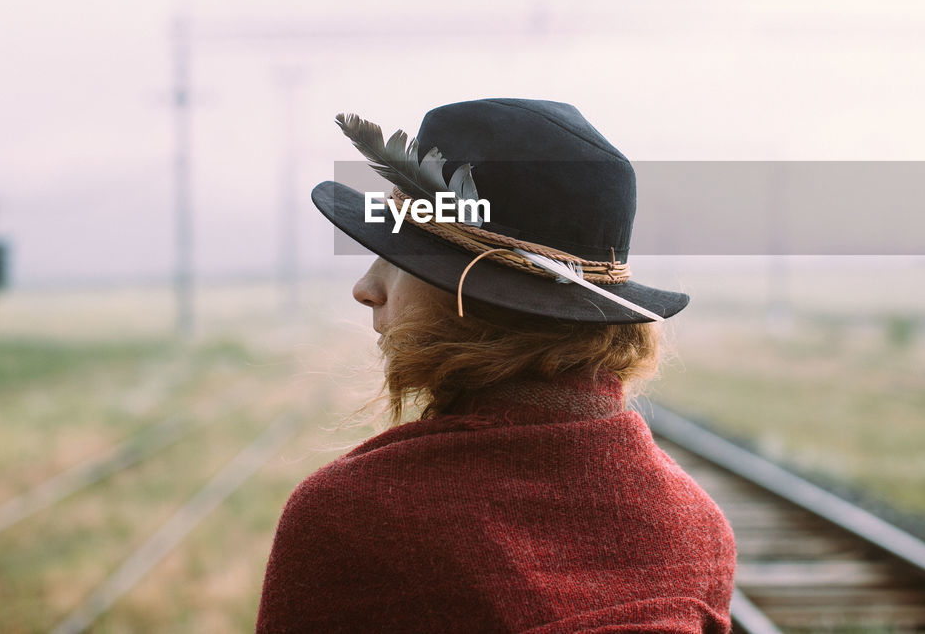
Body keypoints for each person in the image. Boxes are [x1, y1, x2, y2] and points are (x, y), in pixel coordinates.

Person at [257, 98, 735, 633]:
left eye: (399, 258)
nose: (366, 288)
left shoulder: (351, 518)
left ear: (473, 294)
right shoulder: (698, 526)